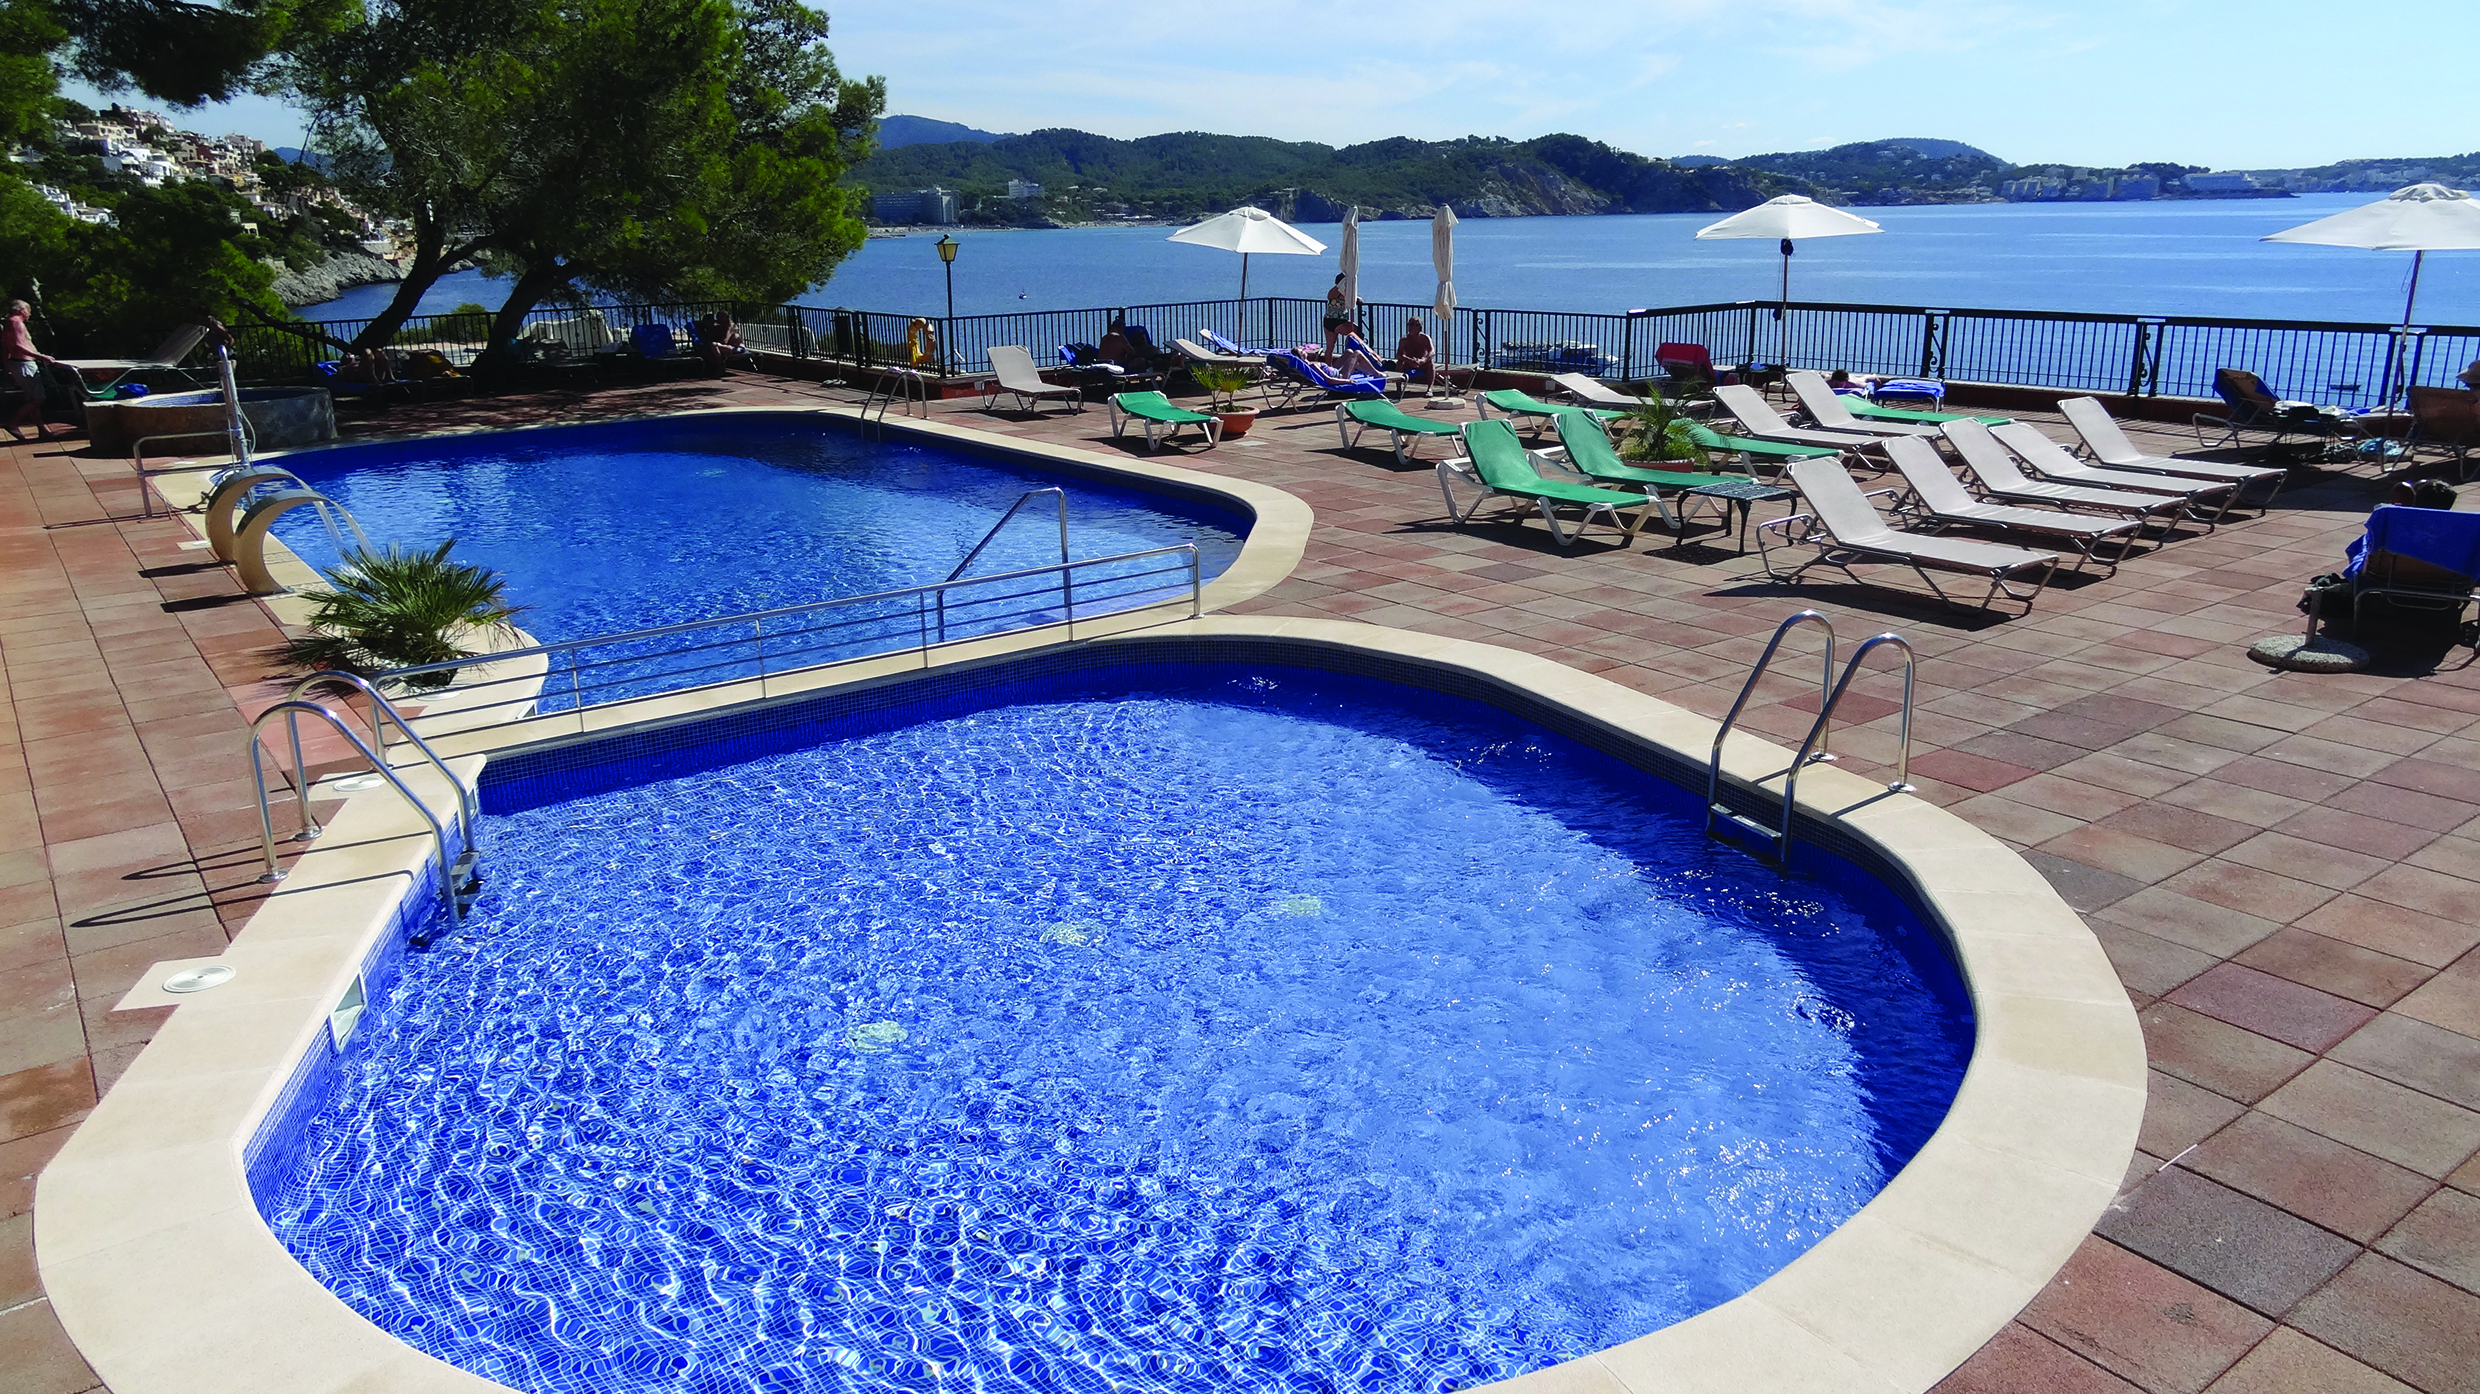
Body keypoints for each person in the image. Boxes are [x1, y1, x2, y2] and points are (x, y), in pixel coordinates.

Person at [5, 299, 63, 442]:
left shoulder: (8, 323)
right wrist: (41, 356)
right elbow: (19, 345)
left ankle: (43, 430)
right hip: (24, 364)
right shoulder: (16, 323)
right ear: (21, 310)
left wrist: (8, 368)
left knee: (31, 399)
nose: (29, 314)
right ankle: (12, 423)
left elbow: (5, 348)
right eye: (28, 310)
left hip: (17, 364)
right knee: (38, 398)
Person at [1322, 274, 1354, 359]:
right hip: (1338, 320)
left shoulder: (1332, 291)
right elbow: (1353, 299)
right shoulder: (1342, 291)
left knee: (1330, 347)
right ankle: (1349, 354)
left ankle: (1329, 368)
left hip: (1328, 319)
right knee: (1356, 333)